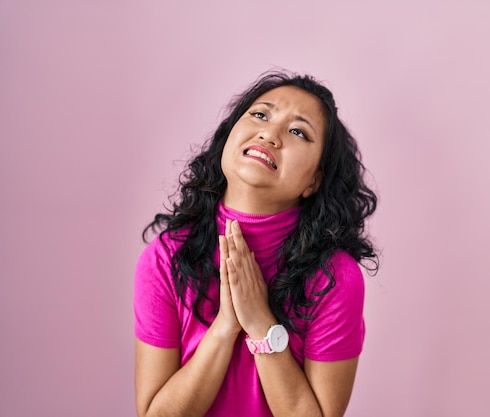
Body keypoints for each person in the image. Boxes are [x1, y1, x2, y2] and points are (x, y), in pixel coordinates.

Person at [134, 71, 379, 417]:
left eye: (298, 131)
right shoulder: (164, 257)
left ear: (313, 181)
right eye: (260, 114)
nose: (270, 133)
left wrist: (262, 324)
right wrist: (225, 327)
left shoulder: (335, 276)